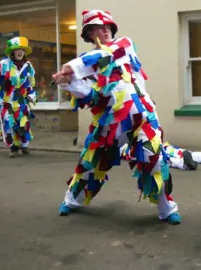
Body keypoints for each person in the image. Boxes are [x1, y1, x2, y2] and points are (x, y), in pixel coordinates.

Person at [51, 10, 181, 225]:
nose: (105, 30)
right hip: (110, 122)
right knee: (90, 163)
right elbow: (90, 95)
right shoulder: (86, 63)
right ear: (89, 34)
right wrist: (68, 82)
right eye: (99, 27)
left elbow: (106, 55)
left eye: (108, 26)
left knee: (153, 160)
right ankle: (73, 199)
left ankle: (167, 209)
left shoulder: (124, 45)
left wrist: (72, 68)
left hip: (142, 118)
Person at [0, 37, 37, 158]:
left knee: (24, 123)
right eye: (17, 49)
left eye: (22, 49)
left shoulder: (28, 66)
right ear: (12, 52)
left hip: (21, 101)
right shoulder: (1, 65)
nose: (20, 52)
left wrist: (31, 95)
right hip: (6, 101)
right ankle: (13, 146)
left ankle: (24, 145)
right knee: (8, 123)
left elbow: (30, 84)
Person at [120, 142, 201, 170]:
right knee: (160, 158)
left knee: (175, 151)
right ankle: (184, 164)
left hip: (148, 141)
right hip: (135, 150)